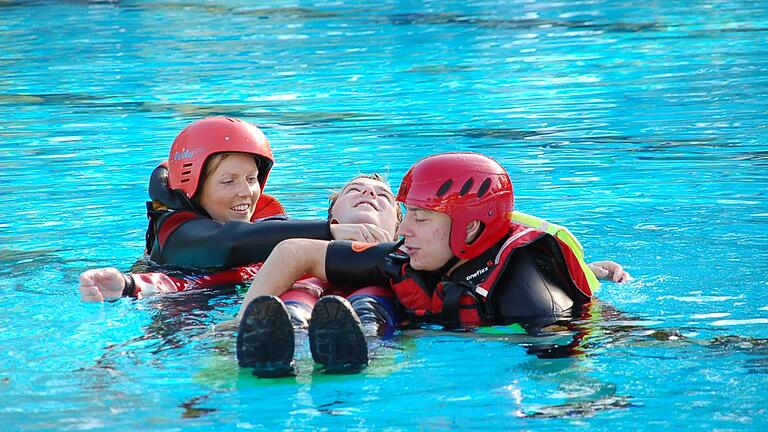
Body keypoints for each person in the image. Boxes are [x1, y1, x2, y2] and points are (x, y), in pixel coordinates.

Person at [237, 152, 630, 375]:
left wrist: (417, 336)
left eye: (421, 218)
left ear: (471, 227)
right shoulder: (409, 253)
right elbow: (293, 251)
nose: (404, 229)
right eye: (406, 213)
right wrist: (242, 320)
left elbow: (566, 374)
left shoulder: (528, 292)